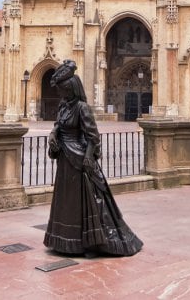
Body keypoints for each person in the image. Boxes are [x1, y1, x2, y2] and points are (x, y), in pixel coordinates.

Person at [44, 60, 143, 257]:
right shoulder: (64, 106)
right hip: (66, 160)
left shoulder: (82, 108)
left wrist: (89, 158)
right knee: (67, 202)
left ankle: (89, 241)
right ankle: (65, 241)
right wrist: (54, 134)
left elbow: (93, 136)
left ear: (71, 88)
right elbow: (59, 125)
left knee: (87, 201)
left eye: (63, 89)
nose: (60, 93)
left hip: (79, 160)